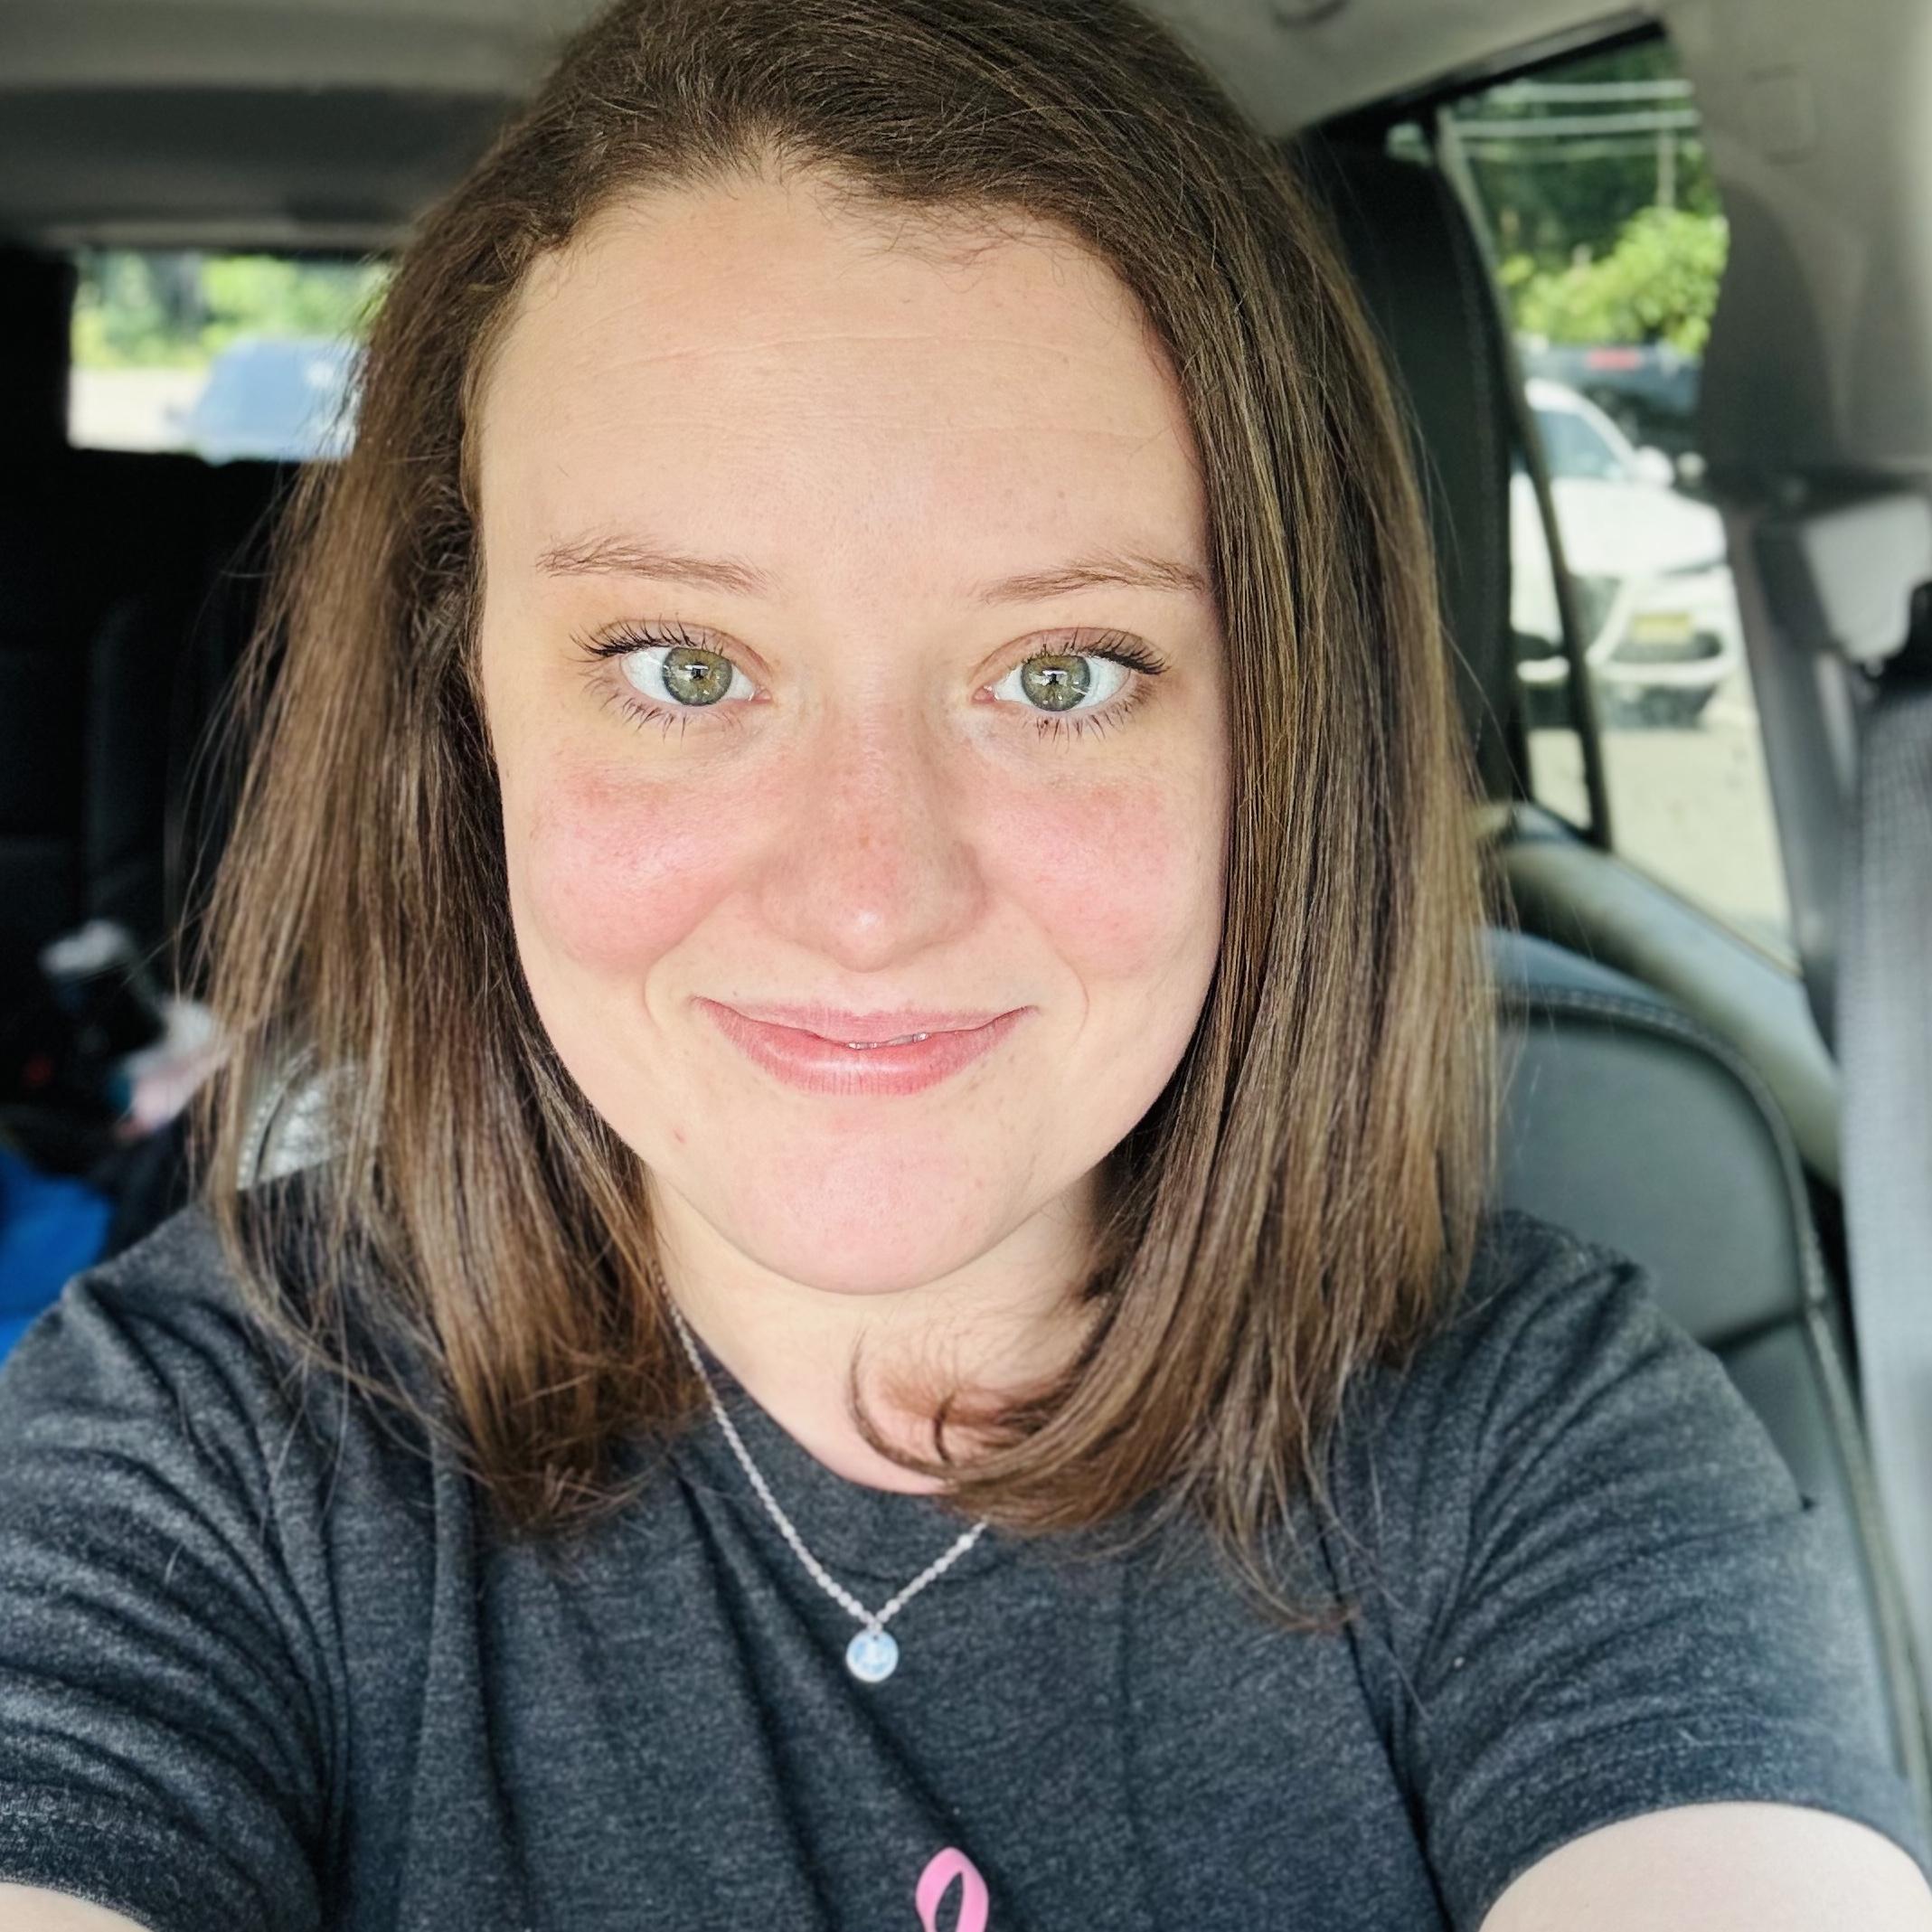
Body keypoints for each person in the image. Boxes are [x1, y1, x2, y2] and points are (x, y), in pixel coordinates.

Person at [0, 1, 1927, 1927]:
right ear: (468, 703)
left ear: (1278, 727)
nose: (868, 899)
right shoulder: (184, 1452)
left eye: (1061, 674)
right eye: (684, 666)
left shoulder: (1541, 1440)